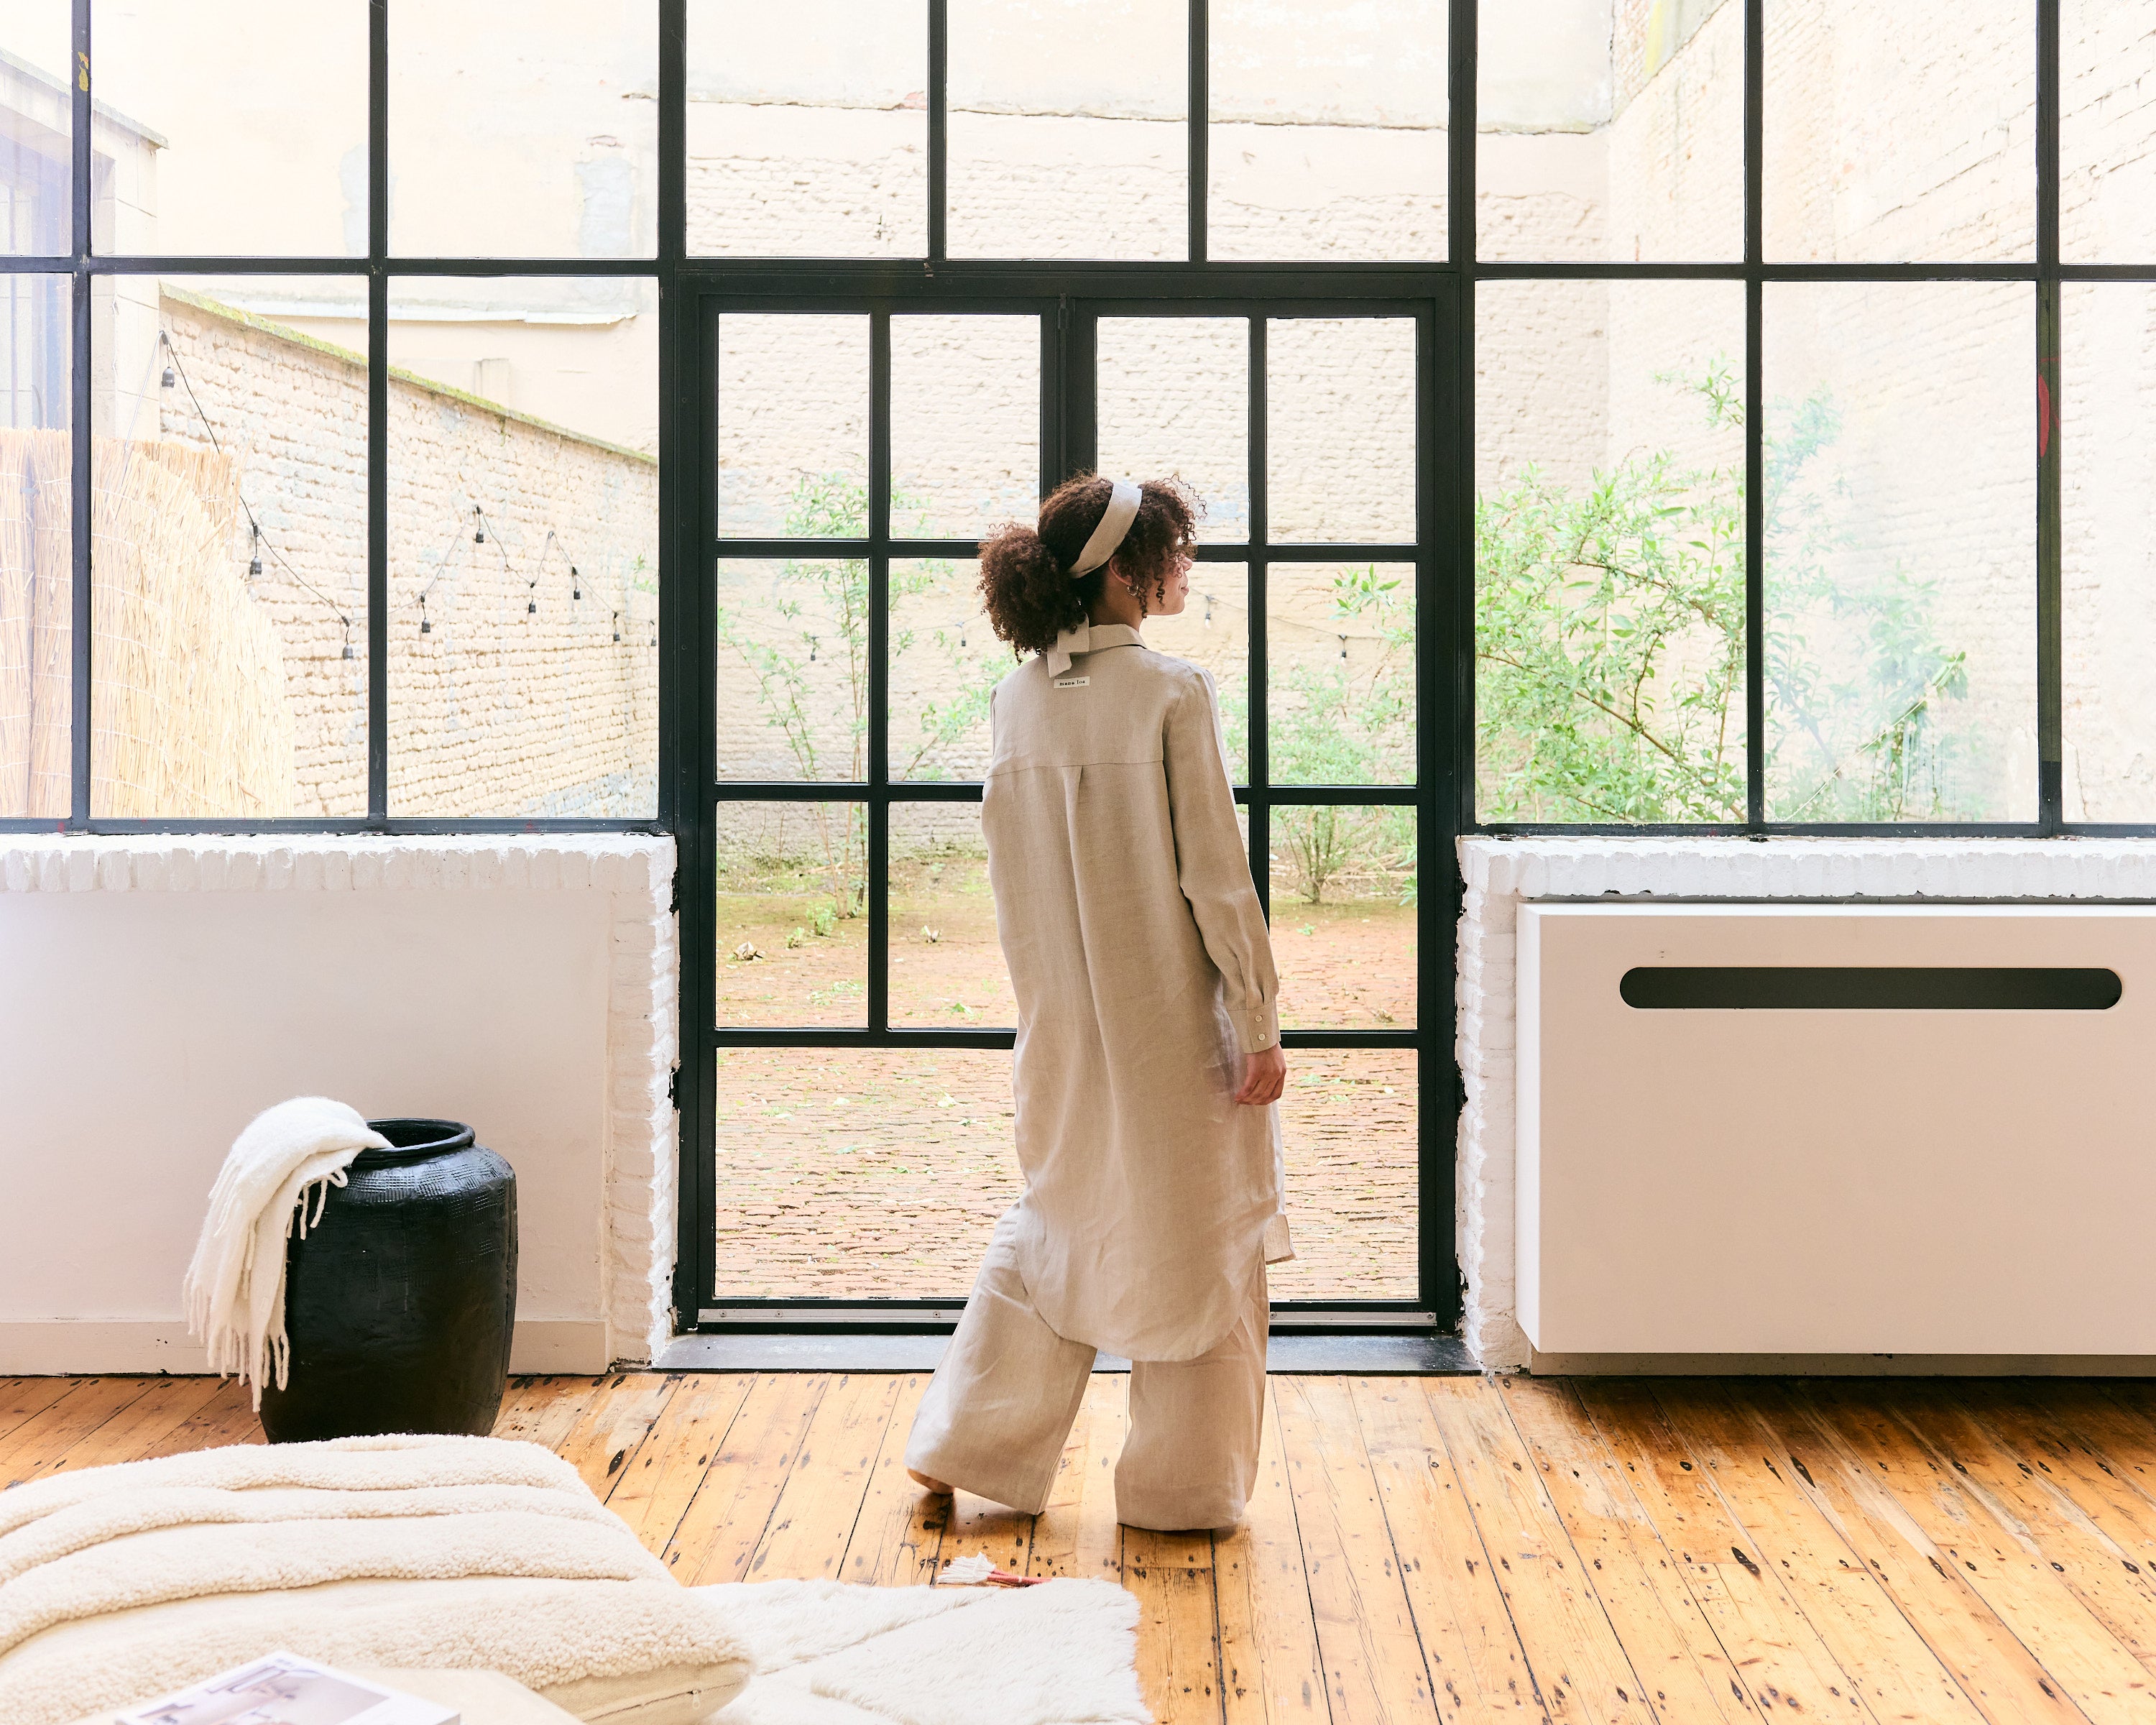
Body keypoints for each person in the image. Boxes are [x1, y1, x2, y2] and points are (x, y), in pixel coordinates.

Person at [903, 473, 1290, 1532]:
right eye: (1170, 552)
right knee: (1201, 1239)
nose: (1183, 570)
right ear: (1125, 571)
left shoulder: (1014, 702)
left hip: (1060, 1028)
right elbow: (1217, 880)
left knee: (1057, 1223)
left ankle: (959, 1443)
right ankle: (1182, 1490)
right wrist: (1256, 1019)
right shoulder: (1172, 692)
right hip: (1168, 1029)